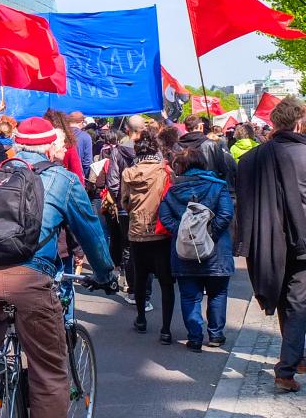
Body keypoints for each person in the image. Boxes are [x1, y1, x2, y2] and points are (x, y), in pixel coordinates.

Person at [0, 117, 115, 417]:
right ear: (50, 147)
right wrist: (105, 275)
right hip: (28, 282)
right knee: (48, 373)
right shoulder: (64, 180)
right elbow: (92, 234)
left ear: (17, 145)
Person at [236, 96, 306, 392]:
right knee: (297, 301)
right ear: (300, 122)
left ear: (274, 123)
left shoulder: (251, 157)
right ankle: (287, 368)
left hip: (265, 241)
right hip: (301, 239)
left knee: (285, 298)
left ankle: (295, 358)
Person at [160, 148, 235, 352]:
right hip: (216, 251)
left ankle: (194, 337)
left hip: (185, 252)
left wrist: (186, 236)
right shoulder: (217, 186)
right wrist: (210, 235)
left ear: (180, 167)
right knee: (217, 293)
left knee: (189, 295)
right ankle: (216, 335)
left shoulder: (172, 191)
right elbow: (227, 214)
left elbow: (165, 218)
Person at [120, 131, 175, 342]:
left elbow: (124, 202)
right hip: (161, 232)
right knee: (166, 281)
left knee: (141, 278)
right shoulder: (164, 171)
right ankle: (166, 329)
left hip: (137, 232)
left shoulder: (128, 173)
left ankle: (141, 319)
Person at [106, 115, 153, 308]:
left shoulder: (117, 152)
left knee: (129, 248)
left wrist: (122, 201)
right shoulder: (151, 151)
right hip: (147, 205)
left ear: (127, 129)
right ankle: (146, 294)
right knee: (146, 246)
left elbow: (113, 181)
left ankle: (134, 291)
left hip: (126, 208)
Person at [179, 114, 236, 191]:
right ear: (201, 126)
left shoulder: (178, 146)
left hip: (187, 190)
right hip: (210, 189)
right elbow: (223, 170)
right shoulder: (212, 144)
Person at [69, 111, 93, 179]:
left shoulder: (60, 134)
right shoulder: (85, 137)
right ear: (81, 122)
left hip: (60, 174)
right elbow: (87, 162)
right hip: (77, 176)